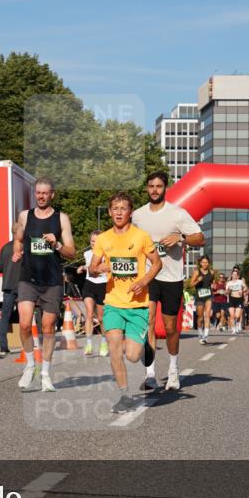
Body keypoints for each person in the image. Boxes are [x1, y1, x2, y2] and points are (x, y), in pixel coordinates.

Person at [87, 191, 163, 413]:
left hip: (137, 305)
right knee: (113, 349)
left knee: (132, 355)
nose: (119, 212)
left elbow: (157, 263)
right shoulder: (103, 239)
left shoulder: (141, 237)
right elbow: (92, 267)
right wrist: (98, 268)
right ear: (110, 212)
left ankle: (145, 348)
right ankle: (125, 395)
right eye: (115, 208)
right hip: (113, 302)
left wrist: (144, 280)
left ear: (130, 212)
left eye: (123, 208)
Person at [132, 171, 205, 391]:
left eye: (159, 186)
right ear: (146, 188)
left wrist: (181, 238)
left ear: (165, 188)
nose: (154, 190)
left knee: (172, 327)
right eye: (151, 186)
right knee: (149, 322)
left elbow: (200, 238)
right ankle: (150, 374)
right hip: (148, 276)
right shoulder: (137, 215)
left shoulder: (178, 214)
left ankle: (173, 370)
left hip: (172, 277)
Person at [12, 178, 76, 392]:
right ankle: (30, 365)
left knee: (48, 328)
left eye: (45, 193)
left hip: (52, 281)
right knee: (24, 323)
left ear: (52, 195)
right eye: (38, 193)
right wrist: (16, 250)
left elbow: (71, 252)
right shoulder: (25, 216)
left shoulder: (61, 219)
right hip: (28, 278)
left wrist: (56, 243)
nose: (41, 196)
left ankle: (46, 373)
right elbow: (19, 236)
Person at [77, 231, 109, 357]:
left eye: (96, 241)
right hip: (89, 284)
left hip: (103, 285)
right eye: (92, 241)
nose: (94, 243)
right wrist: (83, 267)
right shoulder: (87, 253)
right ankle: (89, 344)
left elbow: (105, 267)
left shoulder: (107, 254)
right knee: (89, 314)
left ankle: (103, 342)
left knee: (101, 318)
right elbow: (89, 265)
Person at [0, 232, 22, 354]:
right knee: (25, 316)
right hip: (23, 286)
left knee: (5, 317)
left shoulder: (5, 247)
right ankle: (28, 343)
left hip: (8, 286)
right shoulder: (25, 247)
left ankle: (3, 346)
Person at [188, 256, 214, 344]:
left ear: (208, 263)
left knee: (207, 315)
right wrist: (197, 280)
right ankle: (200, 333)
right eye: (203, 262)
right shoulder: (196, 272)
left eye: (206, 262)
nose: (205, 264)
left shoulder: (211, 272)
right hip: (199, 296)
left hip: (208, 295)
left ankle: (205, 336)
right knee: (200, 317)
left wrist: (213, 286)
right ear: (200, 263)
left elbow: (211, 282)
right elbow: (191, 284)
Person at [224, 267, 247, 334]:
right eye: (233, 274)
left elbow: (246, 288)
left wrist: (242, 291)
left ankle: (237, 325)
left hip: (239, 300)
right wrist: (228, 291)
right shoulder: (229, 283)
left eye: (235, 275)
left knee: (237, 316)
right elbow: (226, 293)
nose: (234, 276)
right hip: (231, 300)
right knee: (232, 315)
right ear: (231, 275)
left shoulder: (240, 281)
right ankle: (233, 329)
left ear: (237, 276)